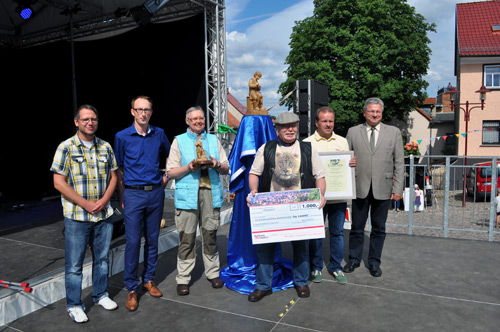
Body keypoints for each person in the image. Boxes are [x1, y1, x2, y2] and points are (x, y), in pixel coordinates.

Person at [247, 112, 326, 302]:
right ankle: (263, 286)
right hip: (271, 208)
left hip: (299, 207)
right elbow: (254, 173)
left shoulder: (308, 148)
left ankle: (300, 282)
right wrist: (254, 191)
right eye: (285, 126)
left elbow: (320, 176)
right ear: (277, 129)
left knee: (301, 247)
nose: (290, 129)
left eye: (293, 125)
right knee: (265, 248)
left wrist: (321, 195)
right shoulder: (266, 148)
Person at [51, 105, 118, 323]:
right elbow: (58, 182)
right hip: (77, 217)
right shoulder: (66, 147)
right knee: (74, 265)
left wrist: (104, 201)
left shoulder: (105, 147)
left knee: (102, 260)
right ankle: (74, 305)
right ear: (76, 122)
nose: (90, 123)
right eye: (86, 119)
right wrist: (85, 204)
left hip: (103, 215)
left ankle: (100, 295)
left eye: (94, 119)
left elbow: (114, 176)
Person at [114, 96, 171, 311]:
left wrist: (165, 179)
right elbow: (119, 169)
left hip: (155, 193)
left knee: (153, 239)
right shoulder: (122, 136)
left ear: (151, 112)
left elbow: (171, 156)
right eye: (139, 109)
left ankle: (148, 279)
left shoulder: (159, 133)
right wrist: (122, 196)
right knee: (132, 242)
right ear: (132, 112)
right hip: (133, 194)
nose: (143, 113)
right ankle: (131, 288)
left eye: (146, 109)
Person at [166, 106, 229, 296]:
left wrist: (217, 164)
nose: (198, 122)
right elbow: (170, 172)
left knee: (210, 234)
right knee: (187, 237)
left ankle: (213, 272)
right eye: (194, 119)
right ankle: (183, 278)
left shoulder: (213, 139)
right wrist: (189, 167)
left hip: (210, 193)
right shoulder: (179, 141)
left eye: (201, 118)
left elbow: (226, 167)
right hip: (188, 195)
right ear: (187, 121)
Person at [344, 97, 404, 277]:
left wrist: (398, 189)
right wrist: (348, 161)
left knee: (379, 229)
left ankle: (374, 262)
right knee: (356, 228)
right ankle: (354, 259)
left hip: (384, 188)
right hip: (359, 186)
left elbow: (399, 163)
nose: (375, 114)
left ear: (382, 113)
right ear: (364, 113)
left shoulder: (393, 132)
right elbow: (345, 158)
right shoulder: (353, 132)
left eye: (378, 111)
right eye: (371, 111)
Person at [303, 107, 356, 285]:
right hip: (317, 196)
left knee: (337, 233)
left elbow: (346, 167)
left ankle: (336, 267)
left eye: (331, 121)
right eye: (324, 121)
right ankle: (316, 266)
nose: (328, 124)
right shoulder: (307, 143)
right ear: (316, 122)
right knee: (316, 233)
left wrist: (351, 163)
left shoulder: (342, 142)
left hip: (338, 196)